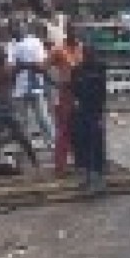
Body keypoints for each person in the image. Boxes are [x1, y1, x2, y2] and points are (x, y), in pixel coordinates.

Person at [0, 40, 38, 166]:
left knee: (21, 135)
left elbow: (26, 66)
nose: (3, 55)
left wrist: (35, 66)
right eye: (0, 54)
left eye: (3, 53)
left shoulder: (9, 67)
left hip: (8, 105)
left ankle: (34, 161)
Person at [47, 23, 86, 177]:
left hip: (80, 92)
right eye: (71, 31)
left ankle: (79, 162)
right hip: (65, 92)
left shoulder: (81, 47)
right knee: (64, 129)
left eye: (76, 31)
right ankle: (60, 166)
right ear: (67, 32)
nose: (74, 34)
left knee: (79, 128)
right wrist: (54, 82)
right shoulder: (58, 49)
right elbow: (43, 67)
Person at [6, 22, 54, 144]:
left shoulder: (35, 41)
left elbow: (42, 64)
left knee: (43, 117)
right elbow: (11, 68)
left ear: (24, 28)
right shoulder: (11, 45)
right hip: (19, 87)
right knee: (22, 121)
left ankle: (53, 142)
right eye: (12, 29)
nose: (14, 31)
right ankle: (26, 148)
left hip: (35, 84)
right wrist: (26, 65)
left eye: (16, 27)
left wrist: (24, 65)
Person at [72, 43, 109, 193]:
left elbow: (102, 93)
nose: (88, 56)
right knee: (84, 144)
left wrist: (100, 114)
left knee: (97, 145)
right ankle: (88, 178)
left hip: (95, 112)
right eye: (86, 53)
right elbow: (74, 91)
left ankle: (98, 180)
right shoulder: (77, 70)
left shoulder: (100, 69)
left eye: (90, 53)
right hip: (82, 111)